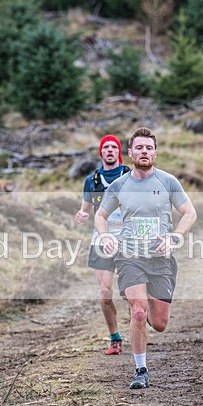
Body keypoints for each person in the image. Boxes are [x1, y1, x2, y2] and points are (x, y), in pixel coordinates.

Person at [94, 127, 197, 389]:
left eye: (149, 148)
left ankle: (144, 308)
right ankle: (141, 370)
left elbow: (189, 213)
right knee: (138, 313)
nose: (144, 152)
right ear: (129, 153)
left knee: (159, 323)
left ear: (155, 152)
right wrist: (105, 236)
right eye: (139, 148)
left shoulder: (168, 181)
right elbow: (100, 216)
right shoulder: (119, 185)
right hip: (130, 256)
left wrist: (175, 237)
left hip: (160, 258)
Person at [75, 135, 131, 355]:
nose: (109, 150)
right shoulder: (92, 180)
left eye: (113, 147)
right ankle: (115, 338)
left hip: (128, 239)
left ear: (119, 151)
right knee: (106, 291)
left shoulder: (130, 175)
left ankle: (138, 318)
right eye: (105, 147)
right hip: (101, 240)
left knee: (131, 292)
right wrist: (80, 215)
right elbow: (85, 210)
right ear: (101, 153)